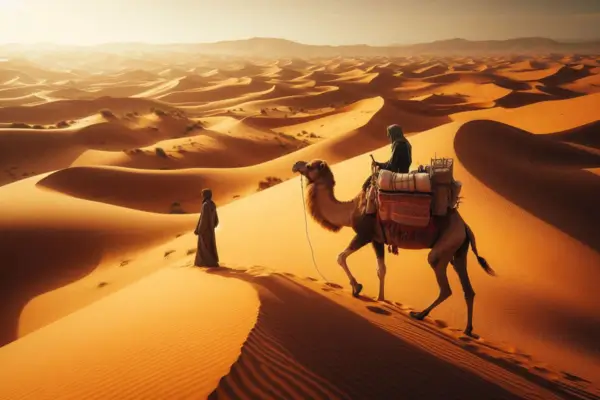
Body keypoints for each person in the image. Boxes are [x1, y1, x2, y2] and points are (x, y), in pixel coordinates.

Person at [194, 188, 220, 268]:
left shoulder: (205, 205)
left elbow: (204, 219)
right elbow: (216, 218)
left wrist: (199, 230)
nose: (202, 195)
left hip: (205, 231)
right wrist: (213, 225)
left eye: (203, 194)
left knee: (204, 247)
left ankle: (206, 263)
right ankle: (211, 262)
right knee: (210, 246)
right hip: (210, 230)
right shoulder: (212, 204)